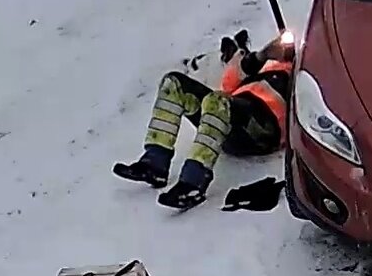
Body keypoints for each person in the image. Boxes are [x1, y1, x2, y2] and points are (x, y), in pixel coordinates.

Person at [113, 28, 295, 209]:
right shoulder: (267, 65)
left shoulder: (307, 76)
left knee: (218, 101)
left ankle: (192, 183)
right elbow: (229, 83)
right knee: (174, 83)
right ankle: (154, 163)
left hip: (264, 128)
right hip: (231, 115)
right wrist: (262, 56)